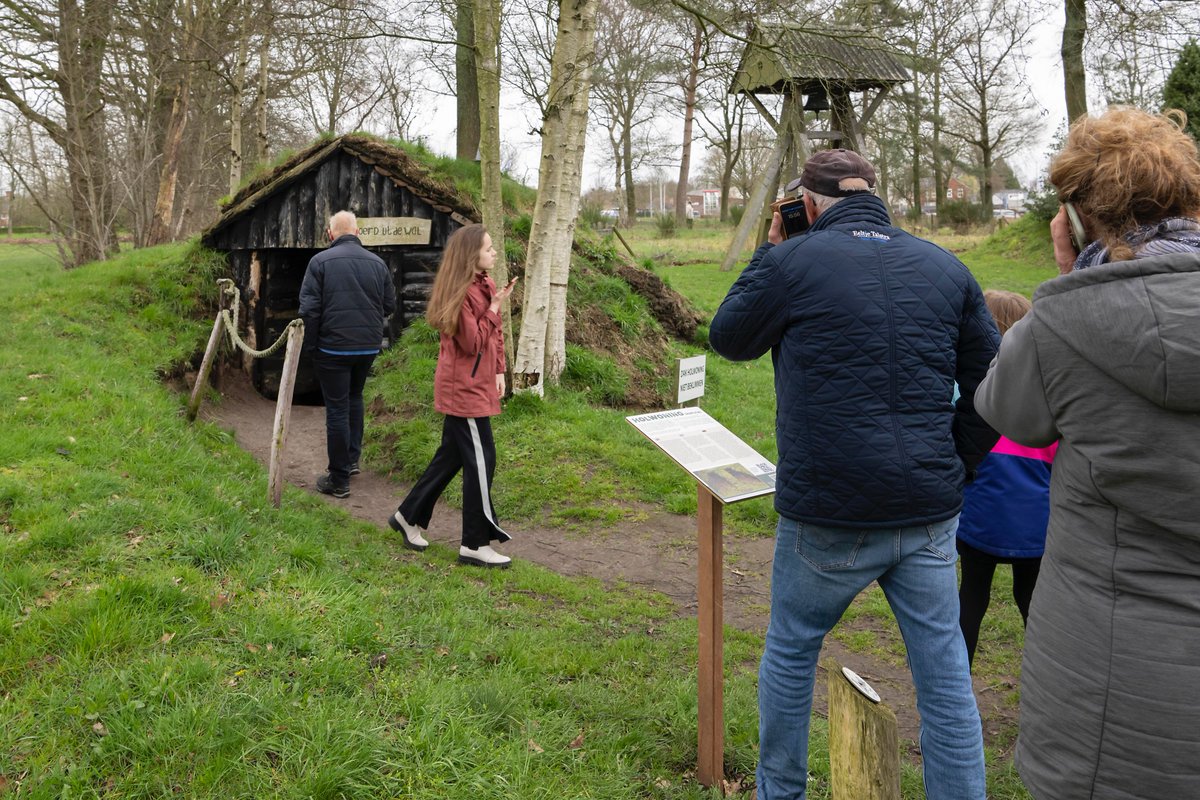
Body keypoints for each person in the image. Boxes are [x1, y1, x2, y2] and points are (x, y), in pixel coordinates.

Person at [710, 148, 999, 800]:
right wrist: (955, 463)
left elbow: (729, 336)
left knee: (791, 652)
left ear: (806, 205)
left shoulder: (789, 261)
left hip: (827, 513)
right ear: (875, 194)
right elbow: (993, 383)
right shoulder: (946, 268)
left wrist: (771, 250)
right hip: (926, 512)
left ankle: (779, 792)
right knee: (947, 676)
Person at [975, 107, 1200, 799]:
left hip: (1109, 687)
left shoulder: (1060, 326)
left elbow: (1004, 411)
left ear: (1073, 215)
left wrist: (1072, 284)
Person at [386, 223, 517, 568]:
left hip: (479, 384)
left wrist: (500, 370)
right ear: (471, 255)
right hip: (464, 390)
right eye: (489, 249)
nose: (494, 253)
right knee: (481, 461)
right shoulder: (459, 293)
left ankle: (407, 515)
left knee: (450, 458)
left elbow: (494, 335)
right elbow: (473, 343)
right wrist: (495, 308)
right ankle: (474, 543)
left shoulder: (485, 284)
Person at [956, 290, 1054, 668]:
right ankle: (1046, 683)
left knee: (972, 595)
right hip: (1036, 529)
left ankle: (956, 684)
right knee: (1033, 603)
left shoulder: (970, 393)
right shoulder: (1048, 397)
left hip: (979, 523)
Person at [298, 210, 395, 498]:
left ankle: (338, 479)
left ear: (331, 233)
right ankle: (351, 460)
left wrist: (312, 345)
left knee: (338, 407)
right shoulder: (378, 264)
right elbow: (388, 305)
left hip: (332, 348)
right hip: (367, 347)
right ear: (357, 232)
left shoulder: (319, 262)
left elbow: (309, 310)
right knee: (354, 398)